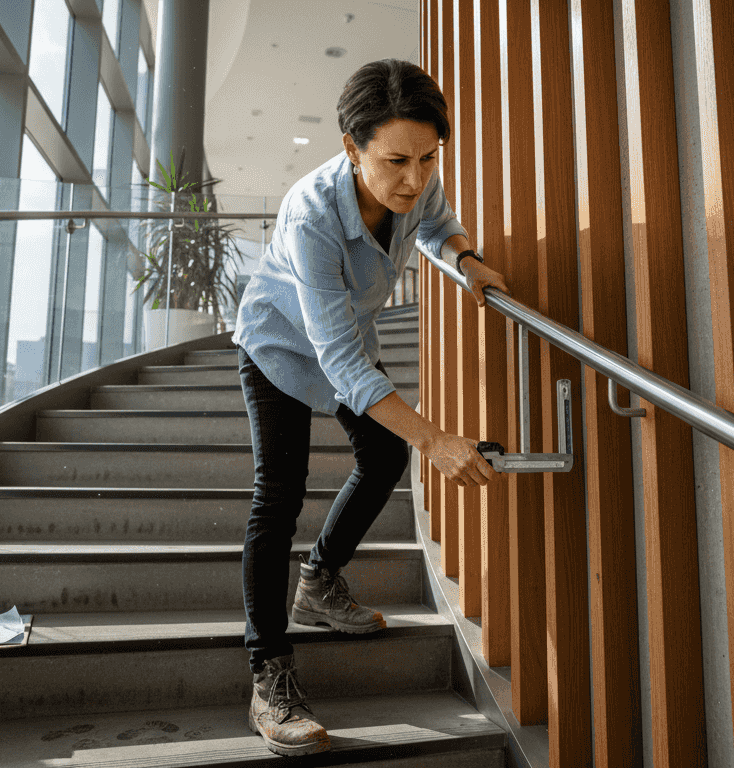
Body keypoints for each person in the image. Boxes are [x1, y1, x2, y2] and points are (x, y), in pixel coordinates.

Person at [231, 58, 510, 757]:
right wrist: (437, 439)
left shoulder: (416, 177)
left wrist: (466, 258)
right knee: (278, 495)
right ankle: (269, 674)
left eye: (427, 157)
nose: (413, 178)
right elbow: (344, 367)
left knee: (383, 456)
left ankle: (319, 581)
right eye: (395, 162)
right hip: (278, 345)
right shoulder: (311, 215)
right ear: (352, 148)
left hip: (347, 338)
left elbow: (437, 222)